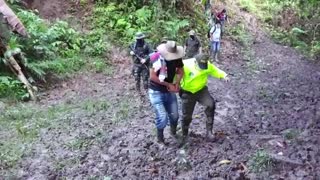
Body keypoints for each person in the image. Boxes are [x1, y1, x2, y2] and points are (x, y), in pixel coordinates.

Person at [179, 54, 229, 145]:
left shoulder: (208, 65)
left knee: (211, 104)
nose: (202, 68)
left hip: (201, 90)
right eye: (200, 66)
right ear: (195, 62)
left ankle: (209, 132)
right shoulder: (185, 65)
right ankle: (184, 135)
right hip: (187, 92)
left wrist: (224, 75)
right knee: (186, 116)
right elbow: (174, 73)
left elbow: (215, 70)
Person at [148, 40, 184, 144]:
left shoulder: (177, 57)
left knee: (175, 116)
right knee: (162, 117)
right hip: (156, 91)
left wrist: (177, 83)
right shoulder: (155, 58)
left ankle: (173, 133)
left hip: (169, 91)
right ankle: (160, 139)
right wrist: (169, 85)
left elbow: (181, 71)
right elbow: (153, 77)